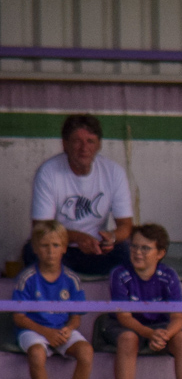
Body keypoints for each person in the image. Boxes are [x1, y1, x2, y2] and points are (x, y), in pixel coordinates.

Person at [106, 224, 182, 379]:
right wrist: (150, 334)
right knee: (128, 339)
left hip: (159, 327)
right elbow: (124, 317)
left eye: (145, 248)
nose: (137, 252)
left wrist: (164, 336)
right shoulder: (120, 274)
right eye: (134, 246)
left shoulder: (169, 275)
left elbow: (178, 317)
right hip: (126, 326)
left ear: (160, 253)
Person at [28, 113, 134, 277]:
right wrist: (77, 238)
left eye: (90, 141)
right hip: (60, 249)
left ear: (99, 145)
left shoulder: (114, 172)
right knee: (32, 251)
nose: (84, 148)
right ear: (65, 144)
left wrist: (112, 238)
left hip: (98, 250)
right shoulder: (48, 172)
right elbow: (40, 228)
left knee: (127, 253)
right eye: (77, 141)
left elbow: (126, 225)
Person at [12, 222, 93, 379]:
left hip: (61, 329)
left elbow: (76, 317)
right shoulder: (27, 278)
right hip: (34, 330)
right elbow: (19, 317)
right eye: (44, 245)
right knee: (36, 354)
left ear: (64, 248)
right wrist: (46, 332)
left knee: (86, 351)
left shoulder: (71, 279)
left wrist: (68, 329)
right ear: (35, 248)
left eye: (56, 245)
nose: (50, 251)